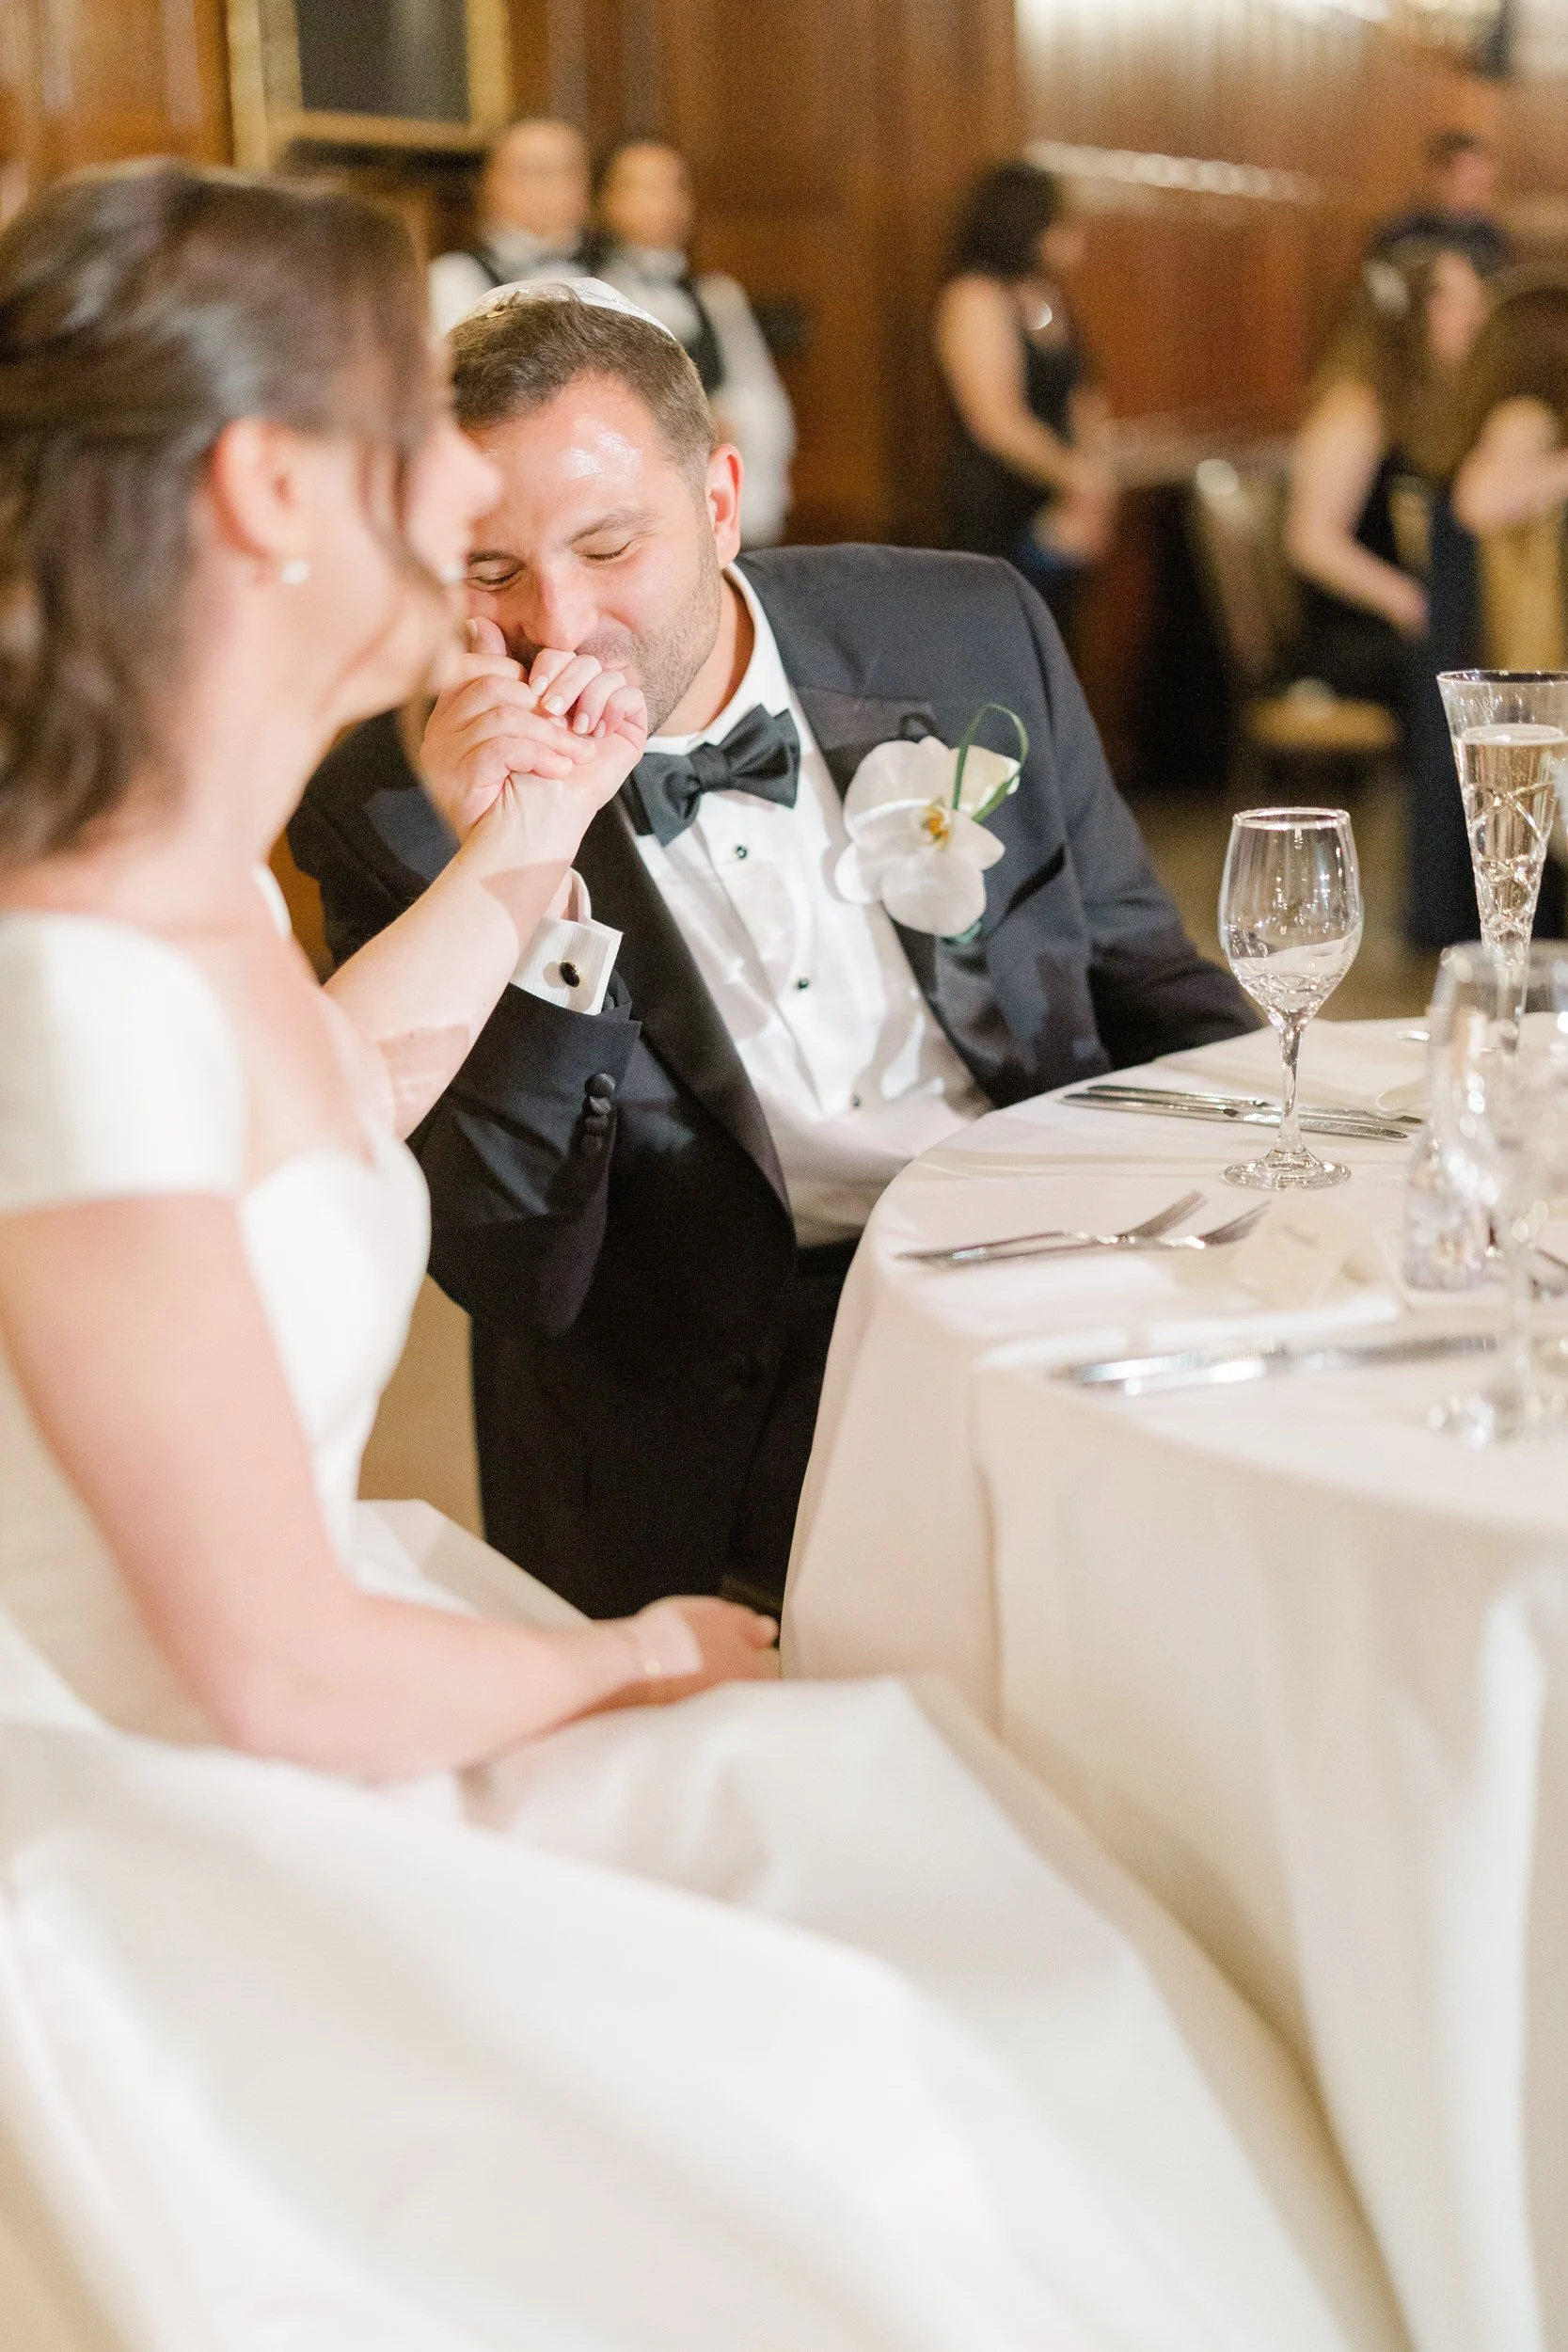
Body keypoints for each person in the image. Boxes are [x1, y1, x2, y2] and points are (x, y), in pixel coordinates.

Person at [0, 162, 1399, 2352]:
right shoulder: (77, 975)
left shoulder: (179, 899)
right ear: (279, 487)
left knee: (1031, 1942)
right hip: (213, 1804)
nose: (513, 582)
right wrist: (637, 1659)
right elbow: (273, 1671)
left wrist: (529, 839)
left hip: (352, 1666)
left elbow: (342, 1088)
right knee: (968, 2035)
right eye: (427, 471)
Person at [292, 278, 1254, 1624]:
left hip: (1055, 1274)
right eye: (490, 572)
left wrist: (1289, 1171)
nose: (557, 625)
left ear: (721, 502)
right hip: (705, 1391)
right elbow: (510, 1265)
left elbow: (1140, 977)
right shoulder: (388, 806)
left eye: (609, 546)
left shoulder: (964, 627)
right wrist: (520, 866)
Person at [1284, 237, 1490, 708]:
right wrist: (1414, 605)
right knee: (1468, 665)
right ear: (1409, 315)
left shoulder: (1426, 405)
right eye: (1458, 303)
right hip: (1357, 638)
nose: (1475, 319)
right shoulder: (1356, 409)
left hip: (1407, 626)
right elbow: (1311, 542)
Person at [934, 160, 1116, 629]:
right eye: (1063, 220)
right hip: (1002, 498)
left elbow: (1083, 392)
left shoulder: (1049, 292)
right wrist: (1074, 475)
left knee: (1059, 638)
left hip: (1061, 494)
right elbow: (994, 419)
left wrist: (1095, 471)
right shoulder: (975, 295)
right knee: (1007, 635)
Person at [594, 137, 795, 545]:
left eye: (676, 186)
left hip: (720, 504)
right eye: (644, 186)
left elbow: (764, 404)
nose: (664, 202)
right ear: (604, 201)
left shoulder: (717, 295)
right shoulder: (590, 297)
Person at [428, 115, 590, 335]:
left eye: (564, 169)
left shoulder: (622, 269)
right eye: (530, 171)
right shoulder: (453, 278)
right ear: (488, 183)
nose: (547, 185)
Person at [1368, 128, 1513, 281]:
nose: (1467, 182)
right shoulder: (1399, 232)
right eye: (1460, 172)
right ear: (1434, 173)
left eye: (1476, 175)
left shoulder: (1490, 235)